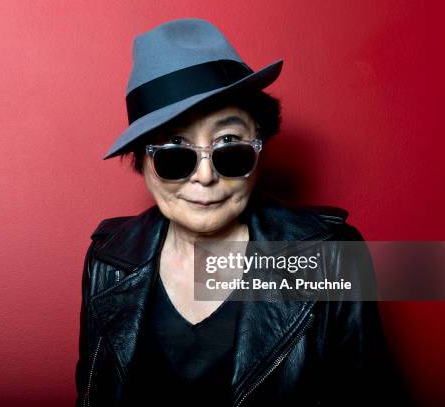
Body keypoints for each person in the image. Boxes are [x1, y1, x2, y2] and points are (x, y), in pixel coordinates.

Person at [75, 18, 411, 406]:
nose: (205, 176)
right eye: (174, 152)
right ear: (142, 162)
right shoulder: (108, 260)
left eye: (229, 145)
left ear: (260, 146)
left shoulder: (330, 256)